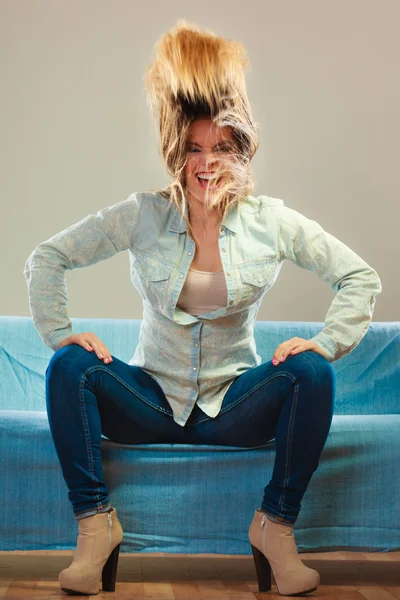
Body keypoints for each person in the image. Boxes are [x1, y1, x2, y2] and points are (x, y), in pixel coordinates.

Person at [24, 20, 382, 597]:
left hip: (232, 403)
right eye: (194, 148)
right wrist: (60, 333)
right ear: (176, 149)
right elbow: (49, 257)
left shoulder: (270, 221)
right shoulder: (144, 214)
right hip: (151, 399)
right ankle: (96, 528)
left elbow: (359, 277)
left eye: (220, 148)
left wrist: (326, 341)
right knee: (69, 367)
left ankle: (274, 527)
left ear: (239, 151)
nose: (206, 163)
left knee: (311, 372)